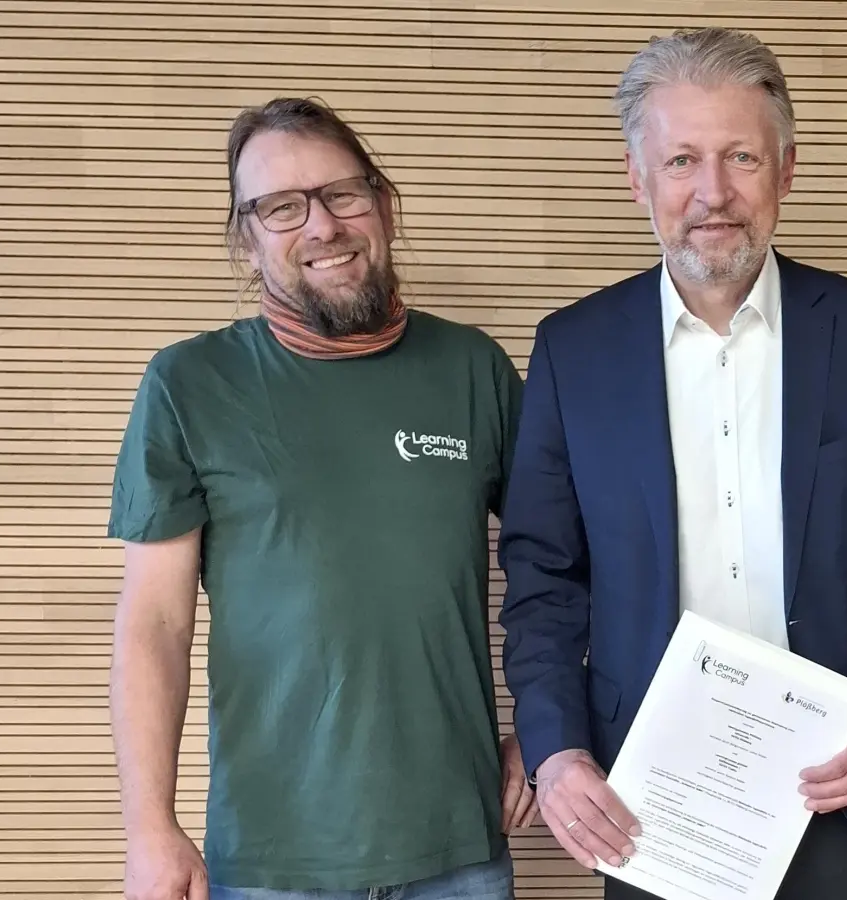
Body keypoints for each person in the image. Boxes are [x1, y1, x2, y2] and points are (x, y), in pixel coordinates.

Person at [496, 26, 847, 900]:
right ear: (636, 176)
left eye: (741, 158)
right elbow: (542, 577)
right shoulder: (574, 351)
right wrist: (557, 749)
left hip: (840, 786)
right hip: (652, 798)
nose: (713, 193)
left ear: (786, 169)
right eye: (682, 160)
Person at [106, 97, 534, 900]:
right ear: (247, 237)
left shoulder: (475, 369)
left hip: (460, 850)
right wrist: (149, 830)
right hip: (272, 860)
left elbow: (559, 570)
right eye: (282, 207)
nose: (322, 226)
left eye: (343, 193)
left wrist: (549, 732)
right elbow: (153, 623)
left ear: (385, 205)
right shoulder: (187, 385)